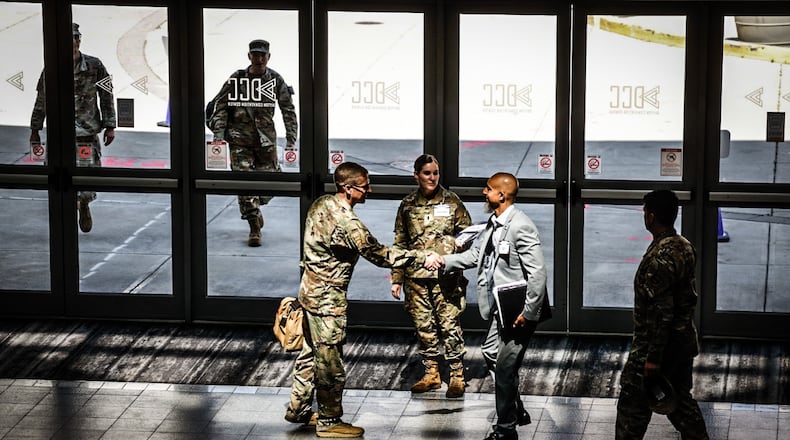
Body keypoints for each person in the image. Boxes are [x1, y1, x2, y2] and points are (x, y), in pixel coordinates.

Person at [285, 161, 443, 438]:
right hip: (327, 303)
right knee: (330, 364)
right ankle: (329, 421)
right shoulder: (348, 223)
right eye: (364, 186)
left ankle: (298, 409)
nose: (369, 190)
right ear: (348, 188)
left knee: (310, 356)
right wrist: (423, 257)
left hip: (308, 293)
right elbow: (380, 254)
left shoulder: (322, 204)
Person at [441, 172, 550, 440]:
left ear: (501, 195)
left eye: (488, 189)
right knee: (491, 352)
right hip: (500, 309)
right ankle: (516, 409)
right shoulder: (494, 222)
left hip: (518, 312)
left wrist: (529, 311)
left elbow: (537, 273)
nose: (483, 193)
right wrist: (444, 261)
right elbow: (476, 254)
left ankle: (505, 430)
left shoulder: (520, 226)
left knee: (504, 368)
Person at [615, 190, 709, 440]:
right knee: (679, 403)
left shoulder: (659, 258)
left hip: (655, 348)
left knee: (631, 408)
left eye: (646, 211)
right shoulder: (684, 246)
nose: (644, 215)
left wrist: (652, 360)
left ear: (652, 217)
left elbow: (661, 314)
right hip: (682, 343)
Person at [390, 154, 472, 397]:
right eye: (427, 173)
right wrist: (396, 278)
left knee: (449, 325)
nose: (432, 178)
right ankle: (432, 373)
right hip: (415, 277)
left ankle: (457, 375)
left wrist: (455, 247)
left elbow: (467, 234)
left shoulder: (452, 201)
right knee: (424, 326)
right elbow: (400, 243)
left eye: (435, 173)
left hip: (445, 277)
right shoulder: (407, 205)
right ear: (416, 175)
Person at [208, 39, 298, 247]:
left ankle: (256, 205)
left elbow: (288, 110)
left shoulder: (275, 80)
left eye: (262, 55)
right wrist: (219, 136)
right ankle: (254, 225)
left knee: (271, 183)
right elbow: (220, 106)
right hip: (239, 140)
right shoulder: (237, 79)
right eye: (255, 55)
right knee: (244, 184)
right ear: (249, 56)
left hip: (266, 140)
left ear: (268, 57)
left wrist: (291, 139)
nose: (258, 59)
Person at [30, 22, 116, 233]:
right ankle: (66, 215)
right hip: (60, 132)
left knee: (87, 176)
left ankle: (83, 205)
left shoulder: (95, 66)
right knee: (59, 177)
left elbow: (106, 95)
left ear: (79, 40)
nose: (74, 42)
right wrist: (35, 127)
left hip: (86, 132)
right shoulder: (52, 68)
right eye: (70, 39)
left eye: (76, 38)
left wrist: (110, 125)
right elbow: (42, 98)